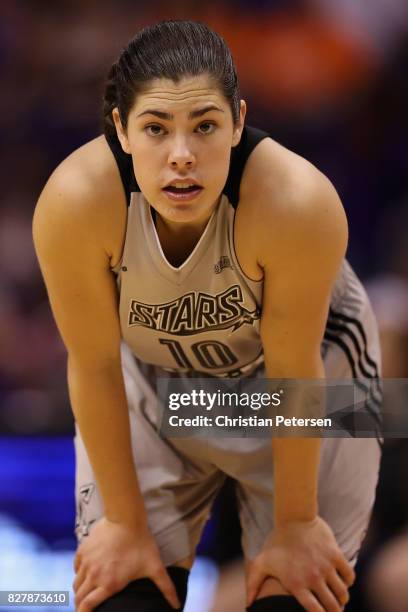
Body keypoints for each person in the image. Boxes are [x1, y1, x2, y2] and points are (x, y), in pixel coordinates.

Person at [33, 20, 382, 612]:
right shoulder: (74, 204)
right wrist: (122, 524)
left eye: (205, 127)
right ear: (120, 130)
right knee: (125, 589)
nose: (182, 157)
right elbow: (93, 368)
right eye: (155, 128)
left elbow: (296, 376)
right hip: (161, 386)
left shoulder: (298, 201)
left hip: (313, 385)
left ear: (239, 121)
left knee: (296, 592)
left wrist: (295, 527)